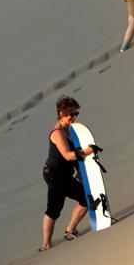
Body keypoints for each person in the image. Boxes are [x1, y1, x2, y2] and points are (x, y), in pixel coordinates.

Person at [40, 96, 95, 251]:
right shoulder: (57, 133)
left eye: (75, 113)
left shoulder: (70, 130)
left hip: (65, 174)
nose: (73, 117)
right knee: (54, 209)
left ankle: (70, 230)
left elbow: (74, 156)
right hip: (54, 175)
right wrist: (87, 152)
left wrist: (80, 171)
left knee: (86, 199)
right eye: (70, 114)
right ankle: (46, 245)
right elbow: (67, 155)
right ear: (61, 113)